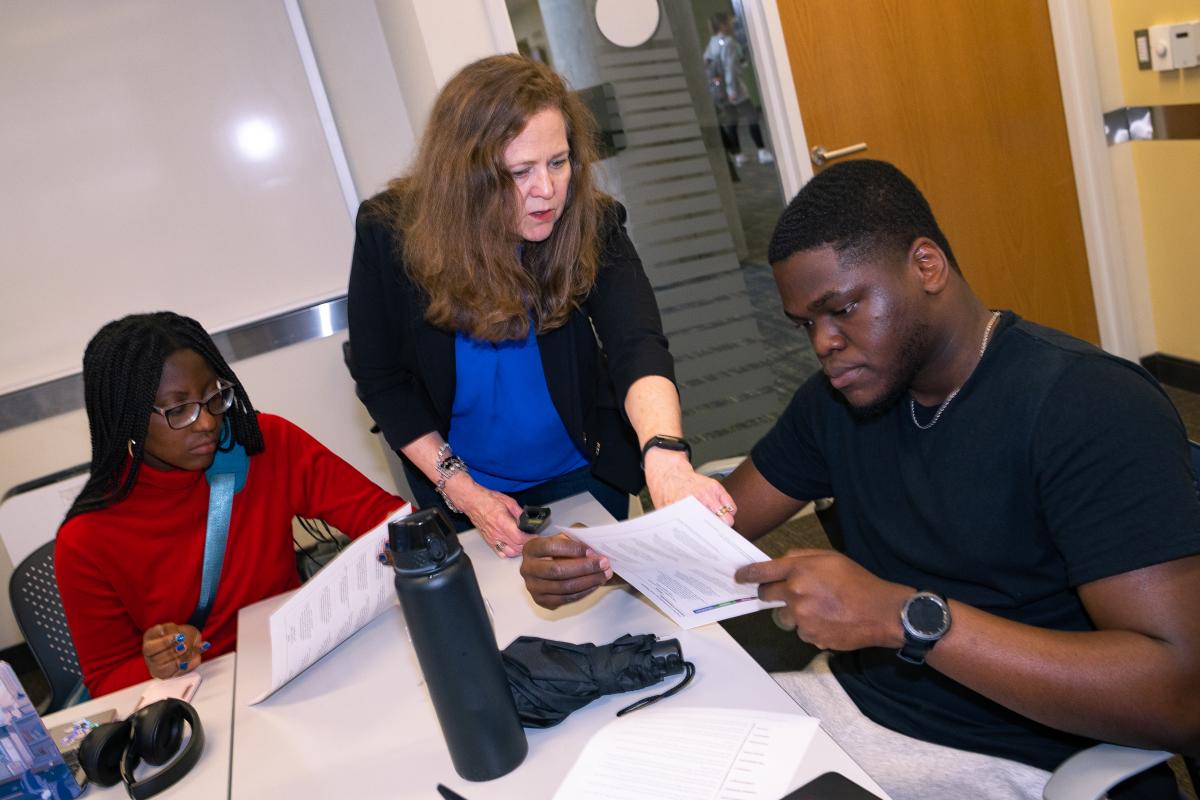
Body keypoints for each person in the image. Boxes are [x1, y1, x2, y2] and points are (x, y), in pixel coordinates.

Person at [519, 160, 1200, 799]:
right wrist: (606, 562)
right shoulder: (840, 399)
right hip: (858, 712)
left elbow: (1179, 696)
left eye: (842, 309)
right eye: (805, 324)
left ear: (926, 265)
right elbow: (714, 532)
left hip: (1026, 759)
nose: (823, 343)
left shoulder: (1087, 406)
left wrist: (901, 618)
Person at [347, 54, 733, 558]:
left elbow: (635, 343)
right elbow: (383, 380)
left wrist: (665, 457)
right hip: (462, 486)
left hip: (582, 470)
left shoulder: (590, 223)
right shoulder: (390, 234)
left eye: (558, 162)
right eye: (520, 171)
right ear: (467, 177)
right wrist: (461, 490)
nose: (546, 191)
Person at [56, 312, 407, 696]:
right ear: (128, 420)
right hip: (206, 700)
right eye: (178, 410)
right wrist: (157, 664)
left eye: (213, 396)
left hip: (303, 666)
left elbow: (383, 516)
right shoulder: (85, 541)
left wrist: (397, 539)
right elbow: (106, 680)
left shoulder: (264, 446)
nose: (207, 422)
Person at [704, 12, 773, 168]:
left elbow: (707, 65)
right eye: (729, 22)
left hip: (719, 90)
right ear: (722, 24)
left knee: (731, 121)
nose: (731, 24)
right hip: (733, 89)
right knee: (752, 117)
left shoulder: (713, 42)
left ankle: (738, 155)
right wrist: (732, 90)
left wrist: (719, 89)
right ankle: (762, 151)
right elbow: (730, 68)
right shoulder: (728, 42)